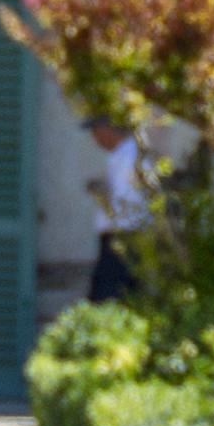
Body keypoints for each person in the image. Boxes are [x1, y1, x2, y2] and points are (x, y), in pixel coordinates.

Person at [81, 115, 151, 310]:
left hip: (124, 238)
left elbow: (127, 205)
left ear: (108, 128)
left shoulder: (130, 156)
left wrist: (103, 193)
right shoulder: (119, 156)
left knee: (107, 298)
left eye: (96, 131)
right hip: (118, 238)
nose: (95, 138)